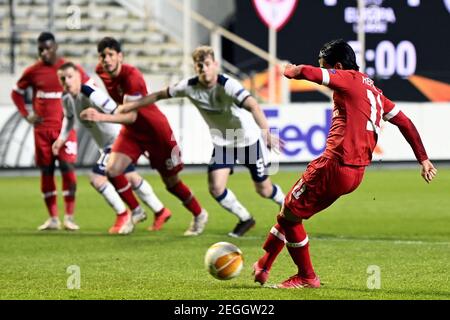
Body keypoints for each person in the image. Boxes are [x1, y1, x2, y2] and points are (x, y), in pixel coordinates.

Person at [251, 39, 437, 288]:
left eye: (327, 67)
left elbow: (306, 72)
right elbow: (405, 122)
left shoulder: (347, 78)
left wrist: (287, 70)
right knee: (290, 213)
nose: (327, 71)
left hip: (334, 164)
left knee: (291, 214)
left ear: (337, 66)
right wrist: (423, 159)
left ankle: (306, 276)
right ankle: (263, 266)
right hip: (356, 173)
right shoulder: (375, 92)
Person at [116, 45, 286, 237]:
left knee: (264, 189)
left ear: (215, 64)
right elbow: (158, 95)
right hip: (224, 143)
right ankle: (245, 218)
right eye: (199, 65)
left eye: (206, 64)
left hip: (248, 141)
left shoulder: (228, 85)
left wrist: (267, 133)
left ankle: (288, 206)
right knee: (215, 187)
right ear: (195, 68)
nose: (203, 68)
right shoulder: (189, 86)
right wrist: (131, 106)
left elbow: (253, 105)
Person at [80, 37, 208, 236]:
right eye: (103, 56)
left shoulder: (133, 77)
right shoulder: (100, 71)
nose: (106, 60)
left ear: (120, 56)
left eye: (111, 55)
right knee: (112, 170)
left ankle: (199, 214)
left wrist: (100, 116)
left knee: (171, 183)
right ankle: (137, 211)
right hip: (132, 132)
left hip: (156, 132)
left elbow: (131, 116)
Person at [53, 62, 172, 234]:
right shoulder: (66, 98)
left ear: (79, 76)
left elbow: (116, 109)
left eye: (70, 77)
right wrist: (61, 139)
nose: (67, 82)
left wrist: (99, 115)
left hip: (117, 140)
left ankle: (124, 213)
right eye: (62, 79)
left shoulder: (89, 92)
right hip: (105, 145)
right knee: (130, 177)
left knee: (97, 178)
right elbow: (69, 119)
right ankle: (161, 211)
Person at [10, 32, 82, 231]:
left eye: (47, 48)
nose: (43, 52)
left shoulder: (68, 69)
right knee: (47, 171)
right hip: (42, 130)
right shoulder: (33, 71)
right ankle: (53, 219)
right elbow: (16, 93)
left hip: (64, 129)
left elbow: (85, 85)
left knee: (68, 169)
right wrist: (27, 115)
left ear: (56, 47)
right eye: (40, 49)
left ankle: (69, 217)